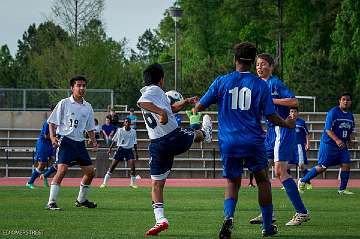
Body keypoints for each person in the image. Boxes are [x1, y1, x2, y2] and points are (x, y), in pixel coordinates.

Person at [195, 42, 296, 238]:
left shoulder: (222, 81)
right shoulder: (260, 85)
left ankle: (229, 218)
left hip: (229, 141)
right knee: (263, 181)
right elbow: (271, 116)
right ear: (252, 61)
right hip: (253, 141)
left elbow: (199, 106)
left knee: (232, 183)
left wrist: (196, 115)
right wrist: (287, 124)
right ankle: (267, 227)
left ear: (235, 59)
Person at [137, 63, 212, 236]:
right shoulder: (155, 90)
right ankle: (205, 133)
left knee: (156, 184)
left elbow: (168, 109)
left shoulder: (154, 93)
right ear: (161, 79)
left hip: (157, 144)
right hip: (171, 137)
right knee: (195, 133)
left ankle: (160, 219)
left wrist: (184, 103)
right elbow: (142, 102)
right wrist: (161, 113)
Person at [249, 53, 310, 226]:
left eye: (263, 64)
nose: (259, 67)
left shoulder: (275, 83)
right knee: (261, 170)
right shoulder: (258, 85)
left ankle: (302, 212)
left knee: (280, 172)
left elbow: (293, 100)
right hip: (270, 133)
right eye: (258, 65)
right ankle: (267, 213)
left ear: (271, 67)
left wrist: (273, 100)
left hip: (282, 129)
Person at [45, 75, 98, 210]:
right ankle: (51, 202)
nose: (81, 88)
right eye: (78, 85)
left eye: (84, 86)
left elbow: (90, 127)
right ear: (72, 88)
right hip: (66, 141)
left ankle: (81, 200)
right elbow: (51, 122)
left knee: (90, 172)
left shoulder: (88, 107)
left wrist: (94, 141)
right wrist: (52, 137)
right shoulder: (64, 103)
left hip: (80, 143)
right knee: (62, 170)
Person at [298, 93, 355, 195]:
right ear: (340, 101)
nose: (346, 101)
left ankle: (342, 190)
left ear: (350, 102)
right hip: (329, 144)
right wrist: (337, 140)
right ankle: (302, 180)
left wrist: (350, 141)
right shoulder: (333, 112)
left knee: (346, 165)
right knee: (322, 167)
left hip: (341, 145)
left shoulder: (350, 116)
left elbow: (350, 130)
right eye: (343, 99)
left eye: (348, 100)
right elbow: (328, 130)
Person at [100, 118, 139, 188]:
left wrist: (136, 153)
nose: (127, 123)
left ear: (130, 123)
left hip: (129, 150)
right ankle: (104, 183)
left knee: (133, 166)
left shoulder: (133, 131)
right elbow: (114, 140)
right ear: (124, 123)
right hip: (120, 149)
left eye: (128, 122)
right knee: (112, 166)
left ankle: (132, 184)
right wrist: (110, 149)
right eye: (126, 122)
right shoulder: (120, 130)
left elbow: (135, 142)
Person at [26, 104, 56, 189]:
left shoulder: (58, 121)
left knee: (57, 162)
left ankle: (45, 176)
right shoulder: (48, 122)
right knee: (42, 164)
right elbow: (46, 136)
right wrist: (55, 136)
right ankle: (30, 182)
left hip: (51, 144)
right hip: (43, 144)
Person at [288, 107, 312, 190]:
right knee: (286, 166)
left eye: (295, 111)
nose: (293, 113)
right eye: (291, 111)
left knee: (301, 165)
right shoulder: (286, 122)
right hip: (289, 146)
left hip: (299, 146)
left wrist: (308, 144)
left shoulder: (301, 122)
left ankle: (308, 182)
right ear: (289, 113)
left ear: (298, 113)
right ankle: (288, 184)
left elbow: (307, 134)